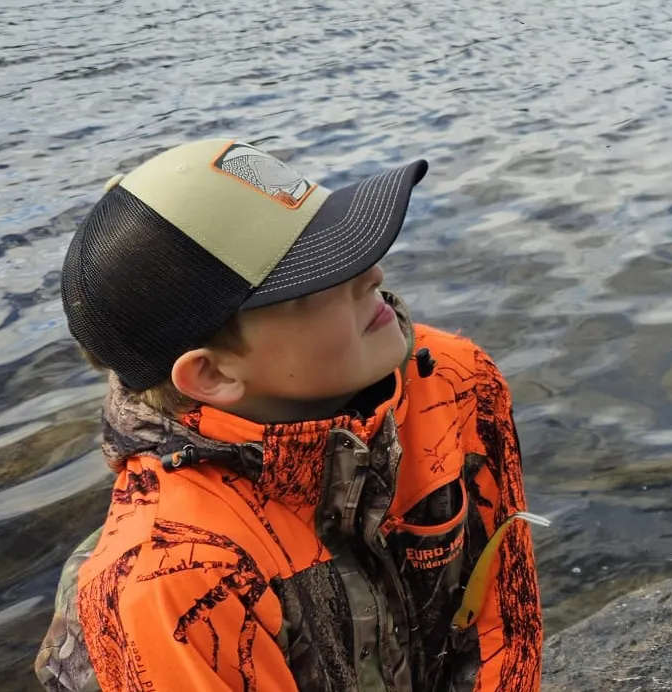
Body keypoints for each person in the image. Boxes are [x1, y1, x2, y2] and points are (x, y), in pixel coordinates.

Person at [33, 137, 544, 692]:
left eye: (344, 238)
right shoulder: (168, 581)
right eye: (319, 275)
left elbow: (504, 619)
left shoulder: (452, 378)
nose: (372, 273)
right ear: (213, 375)